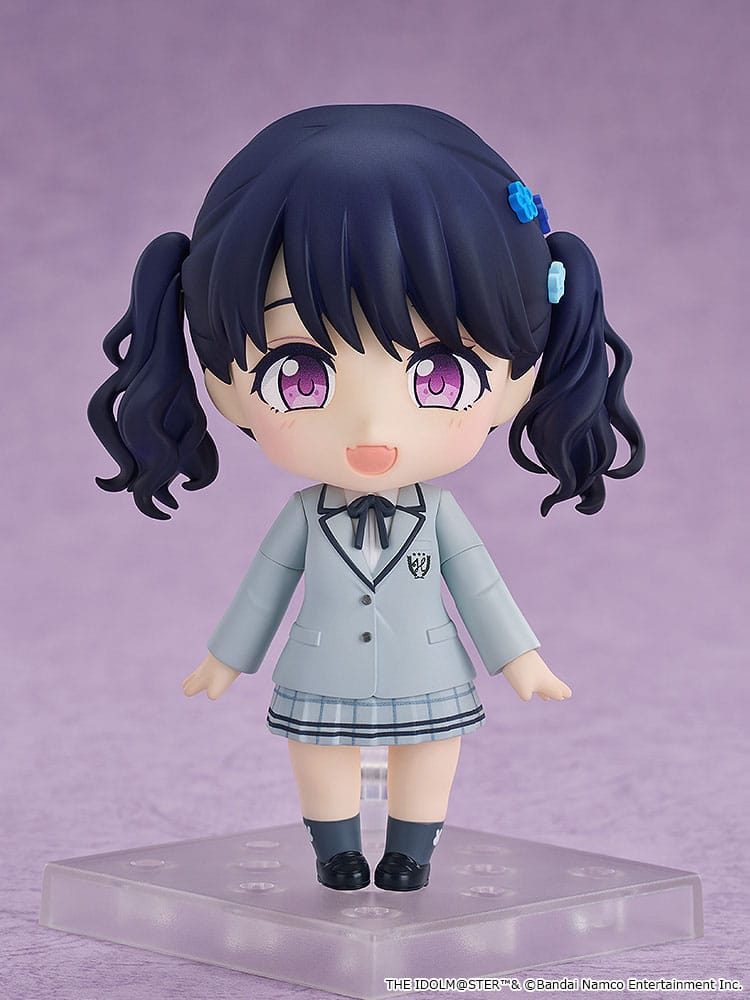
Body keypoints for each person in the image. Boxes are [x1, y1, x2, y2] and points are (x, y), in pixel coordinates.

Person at [88, 105, 645, 892]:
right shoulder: (304, 518)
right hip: (322, 670)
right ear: (223, 384)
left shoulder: (438, 517)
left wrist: (520, 659)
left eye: (440, 374)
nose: (374, 427)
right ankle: (336, 849)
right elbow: (265, 587)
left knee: (431, 752)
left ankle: (413, 849)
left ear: (518, 378)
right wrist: (226, 658)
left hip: (427, 667)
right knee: (320, 754)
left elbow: (479, 587)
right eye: (297, 374)